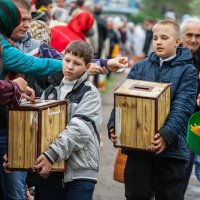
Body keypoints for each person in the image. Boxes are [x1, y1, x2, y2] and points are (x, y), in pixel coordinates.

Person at [107, 19, 198, 200]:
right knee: (136, 194)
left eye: (164, 37)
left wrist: (165, 135)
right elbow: (123, 100)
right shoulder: (140, 67)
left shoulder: (188, 71)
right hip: (138, 148)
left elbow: (183, 106)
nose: (158, 41)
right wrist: (113, 126)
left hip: (171, 150)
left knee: (169, 195)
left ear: (177, 41)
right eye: (156, 37)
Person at [33, 40, 102, 200]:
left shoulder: (90, 93)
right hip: (51, 170)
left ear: (87, 67)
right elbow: (37, 128)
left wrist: (51, 154)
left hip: (79, 171)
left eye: (76, 63)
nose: (70, 66)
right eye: (67, 60)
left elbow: (79, 130)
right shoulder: (49, 91)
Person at [179, 17, 200, 199]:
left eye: (198, 36)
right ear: (181, 36)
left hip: (192, 126)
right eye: (190, 35)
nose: (194, 40)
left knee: (185, 169)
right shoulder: (172, 57)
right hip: (167, 122)